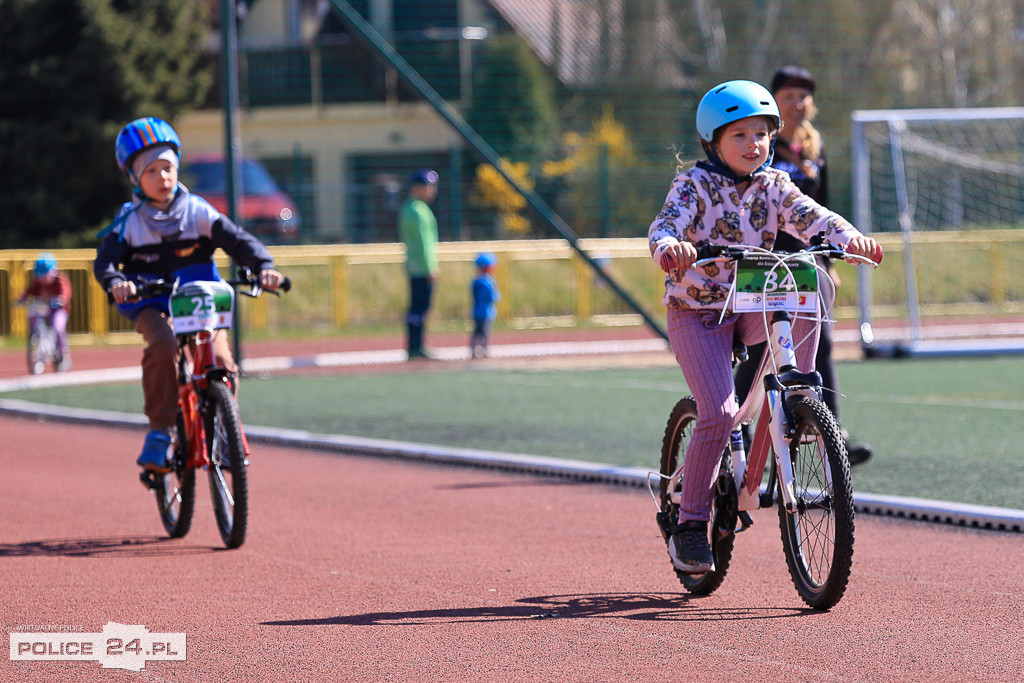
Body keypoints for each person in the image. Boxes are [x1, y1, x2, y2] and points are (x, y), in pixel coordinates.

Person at [648, 80, 880, 574]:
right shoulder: (693, 185)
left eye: (762, 134)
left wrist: (851, 238)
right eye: (741, 135)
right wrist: (671, 247)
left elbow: (810, 216)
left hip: (753, 302)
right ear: (713, 141)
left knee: (807, 285)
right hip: (700, 311)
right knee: (717, 412)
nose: (755, 144)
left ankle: (796, 397)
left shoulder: (774, 184)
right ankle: (690, 524)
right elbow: (666, 223)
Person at [93, 116, 284, 473]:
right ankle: (161, 431)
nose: (162, 178)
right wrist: (116, 281)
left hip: (200, 301)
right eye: (150, 171)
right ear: (135, 178)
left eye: (168, 168)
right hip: (152, 303)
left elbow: (239, 241)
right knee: (163, 346)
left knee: (222, 361)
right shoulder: (129, 221)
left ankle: (226, 429)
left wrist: (263, 266)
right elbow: (104, 263)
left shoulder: (196, 211)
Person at [733, 65, 872, 465]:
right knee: (762, 348)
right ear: (775, 101)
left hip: (807, 260)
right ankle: (736, 429)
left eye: (803, 96)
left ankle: (830, 430)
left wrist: (829, 262)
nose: (797, 103)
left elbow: (822, 209)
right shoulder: (761, 147)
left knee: (820, 342)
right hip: (764, 258)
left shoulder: (815, 148)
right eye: (789, 95)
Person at [399, 168, 440, 360]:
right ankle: (416, 346)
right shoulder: (418, 210)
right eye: (428, 187)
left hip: (414, 267)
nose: (432, 190)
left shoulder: (409, 208)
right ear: (417, 187)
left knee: (417, 308)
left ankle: (415, 345)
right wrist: (430, 267)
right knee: (420, 308)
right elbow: (423, 243)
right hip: (422, 268)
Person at [17, 252, 72, 372]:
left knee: (58, 327)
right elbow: (27, 292)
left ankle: (62, 353)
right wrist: (21, 299)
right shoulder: (36, 283)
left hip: (58, 310)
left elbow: (65, 294)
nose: (42, 279)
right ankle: (36, 343)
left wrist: (61, 299)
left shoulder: (59, 280)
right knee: (35, 318)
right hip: (43, 309)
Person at [470, 252, 500, 358]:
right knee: (485, 333)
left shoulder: (475, 281)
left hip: (476, 311)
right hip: (486, 312)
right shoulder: (488, 282)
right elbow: (492, 297)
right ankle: (485, 351)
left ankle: (473, 350)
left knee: (476, 332)